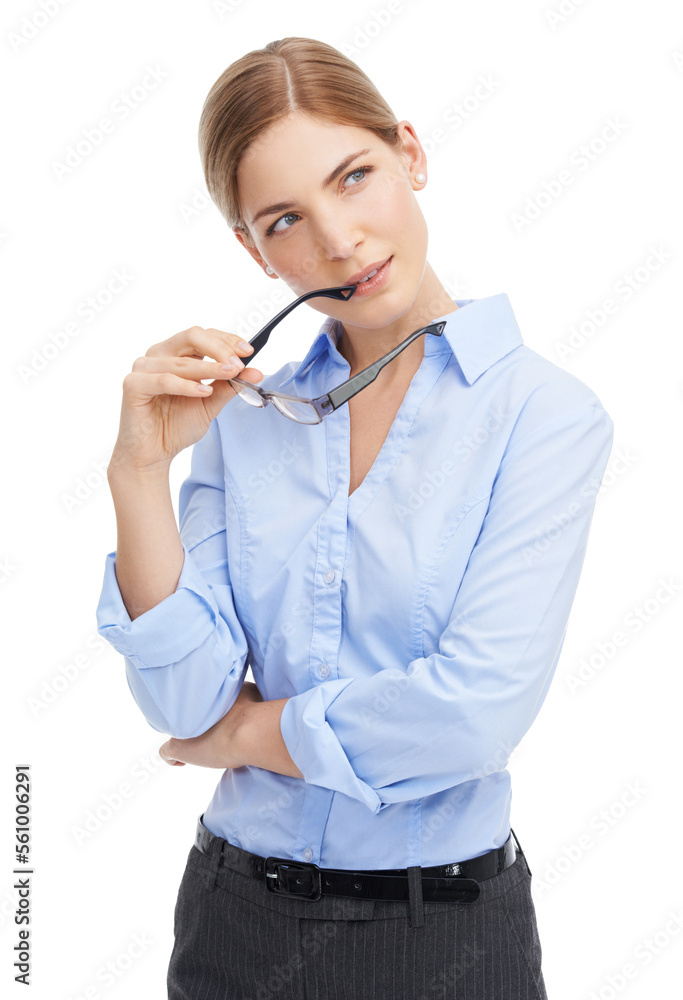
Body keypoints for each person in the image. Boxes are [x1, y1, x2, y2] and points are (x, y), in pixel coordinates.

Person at [95, 36, 614, 1000]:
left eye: (355, 176)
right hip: (232, 926)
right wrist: (138, 472)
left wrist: (245, 739)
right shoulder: (246, 423)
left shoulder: (545, 415)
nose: (337, 240)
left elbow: (468, 718)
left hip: (445, 941)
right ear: (253, 249)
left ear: (409, 154)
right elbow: (182, 703)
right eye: (286, 218)